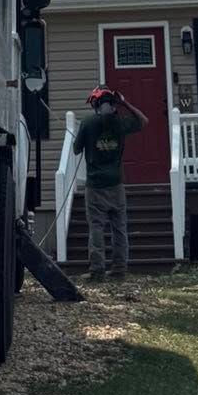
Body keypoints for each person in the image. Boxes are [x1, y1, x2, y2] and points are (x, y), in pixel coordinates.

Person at [72, 85, 146, 281]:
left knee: (96, 226)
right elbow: (143, 121)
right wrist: (125, 103)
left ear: (95, 104)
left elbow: (76, 150)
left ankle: (97, 271)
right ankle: (120, 268)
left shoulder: (87, 123)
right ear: (113, 105)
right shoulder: (120, 123)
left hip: (95, 185)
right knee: (119, 228)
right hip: (116, 184)